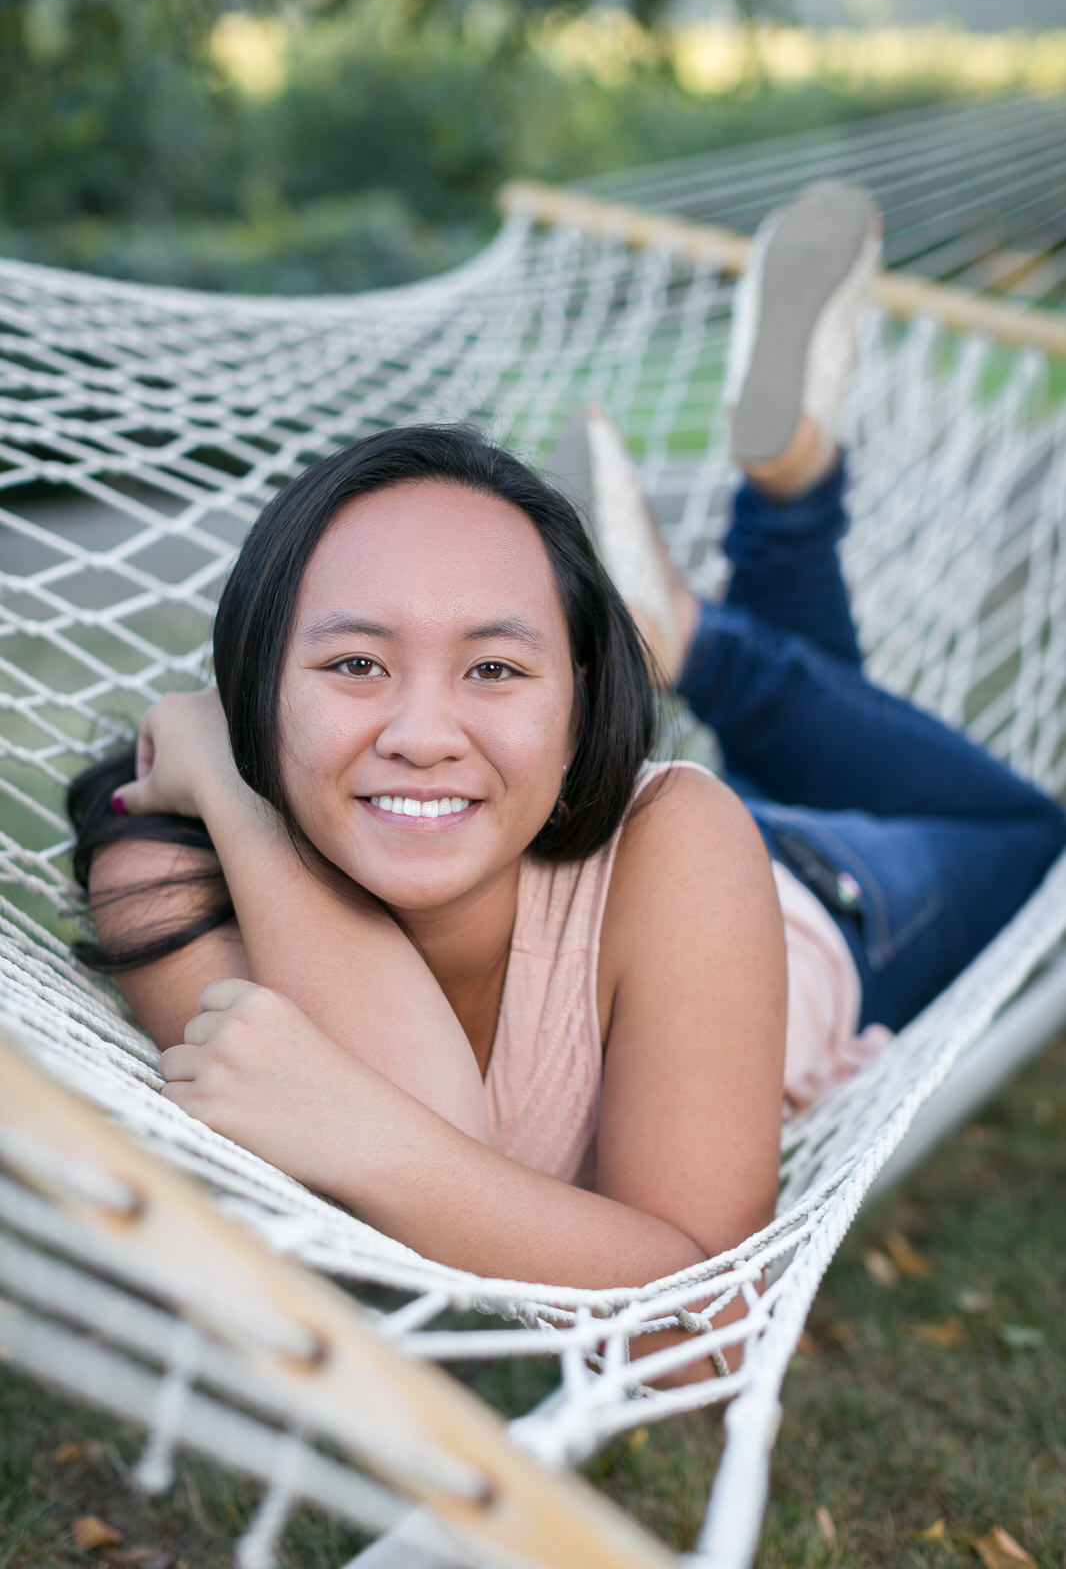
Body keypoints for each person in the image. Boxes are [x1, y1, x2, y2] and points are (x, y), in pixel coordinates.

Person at [68, 181, 1066, 1308]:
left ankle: (694, 627)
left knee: (1030, 835)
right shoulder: (164, 855)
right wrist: (238, 798)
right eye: (355, 665)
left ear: (579, 703)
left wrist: (357, 1136)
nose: (422, 733)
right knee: (843, 769)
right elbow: (455, 1127)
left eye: (494, 666)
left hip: (804, 904)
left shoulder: (679, 832)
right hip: (625, 854)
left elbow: (703, 1323)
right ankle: (777, 515)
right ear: (252, 682)